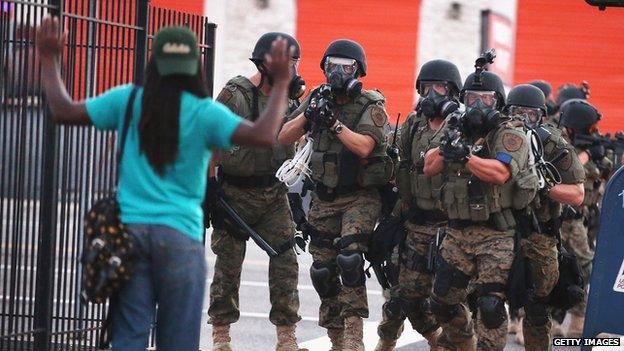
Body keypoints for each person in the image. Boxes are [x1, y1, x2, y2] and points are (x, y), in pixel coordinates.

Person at [36, 16, 294, 351]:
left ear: (154, 62)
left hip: (129, 236)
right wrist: (282, 82)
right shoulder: (204, 112)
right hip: (180, 238)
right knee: (177, 341)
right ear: (194, 67)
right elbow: (262, 135)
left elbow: (63, 110)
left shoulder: (128, 100)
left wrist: (47, 58)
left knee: (129, 335)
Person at [279, 39, 392, 351]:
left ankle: (355, 340)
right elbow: (283, 135)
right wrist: (309, 115)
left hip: (360, 196)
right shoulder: (318, 96)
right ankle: (337, 340)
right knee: (322, 270)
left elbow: (365, 146)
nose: (337, 72)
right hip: (324, 197)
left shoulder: (371, 104)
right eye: (332, 65)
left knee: (350, 259)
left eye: (345, 66)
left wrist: (334, 123)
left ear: (358, 70)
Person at [206, 32, 307, 351]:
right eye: (286, 63)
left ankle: (286, 337)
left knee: (286, 260)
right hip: (234, 193)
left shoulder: (288, 98)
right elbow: (210, 139)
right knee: (228, 265)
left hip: (273, 194)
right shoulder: (235, 95)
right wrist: (208, 187)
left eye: (293, 63)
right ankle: (221, 337)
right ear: (265, 64)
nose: (291, 70)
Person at [424, 70, 537, 351]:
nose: (477, 105)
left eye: (484, 99)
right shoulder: (456, 125)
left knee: (490, 304)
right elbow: (429, 167)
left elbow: (499, 173)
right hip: (458, 231)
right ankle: (466, 342)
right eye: (471, 98)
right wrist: (447, 147)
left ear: (496, 102)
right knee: (441, 301)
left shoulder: (510, 132)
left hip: (495, 234)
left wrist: (465, 156)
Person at [374, 59, 463, 351]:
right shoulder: (413, 124)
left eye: (440, 87)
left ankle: (457, 344)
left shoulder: (461, 126)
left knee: (448, 299)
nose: (433, 93)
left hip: (450, 227)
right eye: (427, 87)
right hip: (415, 222)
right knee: (402, 297)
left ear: (452, 92)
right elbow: (401, 166)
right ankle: (426, 340)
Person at [505, 84, 585, 350]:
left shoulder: (552, 142)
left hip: (539, 233)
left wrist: (544, 186)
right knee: (486, 304)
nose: (523, 120)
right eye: (517, 112)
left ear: (541, 115)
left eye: (530, 114)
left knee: (537, 308)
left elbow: (577, 194)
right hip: (497, 232)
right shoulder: (496, 136)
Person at [557, 99, 611, 337]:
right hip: (557, 218)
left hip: (579, 219)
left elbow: (605, 177)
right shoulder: (556, 143)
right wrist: (587, 155)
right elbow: (564, 172)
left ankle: (578, 322)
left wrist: (601, 156)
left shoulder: (587, 148)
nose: (594, 133)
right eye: (590, 129)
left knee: (583, 268)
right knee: (550, 268)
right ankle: (542, 320)